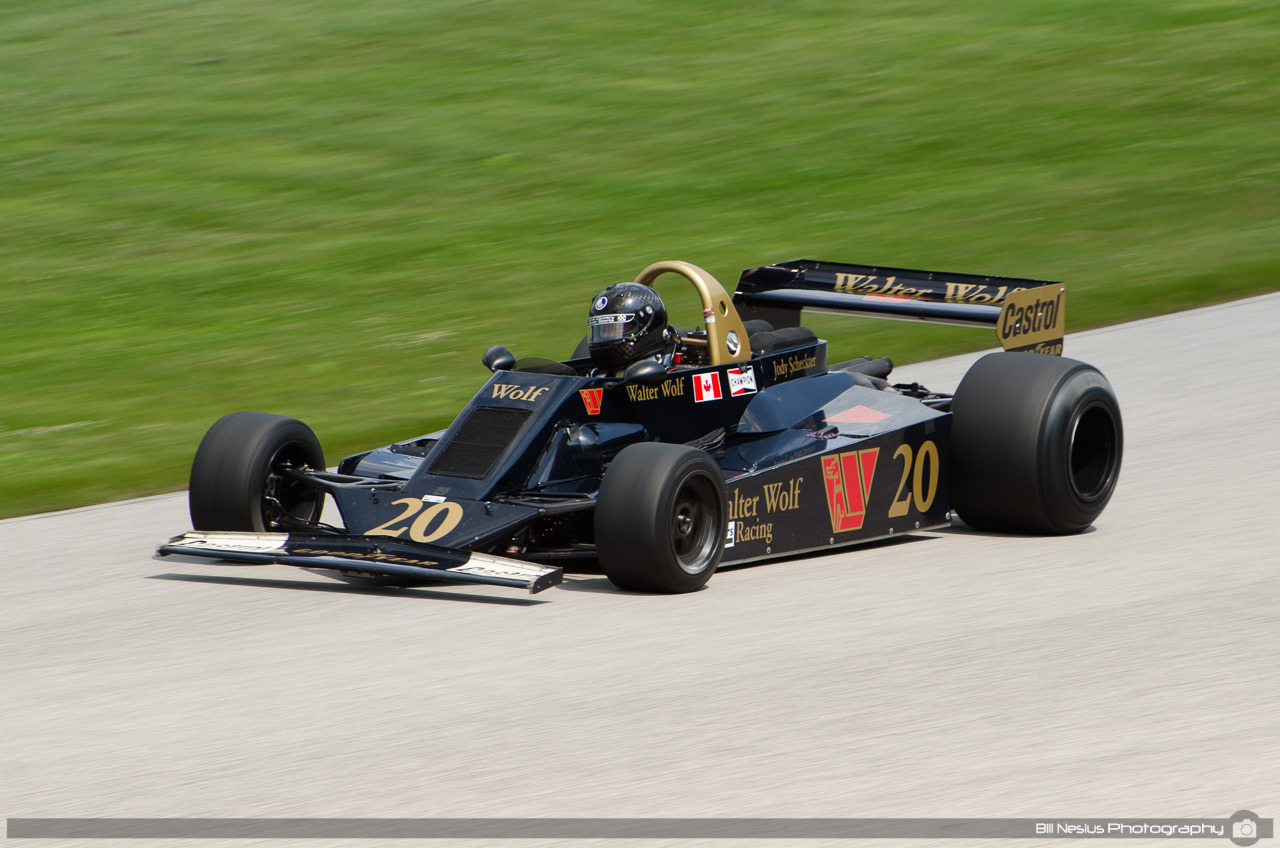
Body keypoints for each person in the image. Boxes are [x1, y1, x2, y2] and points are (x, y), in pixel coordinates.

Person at [586, 283, 673, 372]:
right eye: (602, 330)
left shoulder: (660, 372)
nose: (605, 335)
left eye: (615, 329)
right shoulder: (593, 373)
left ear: (644, 328)